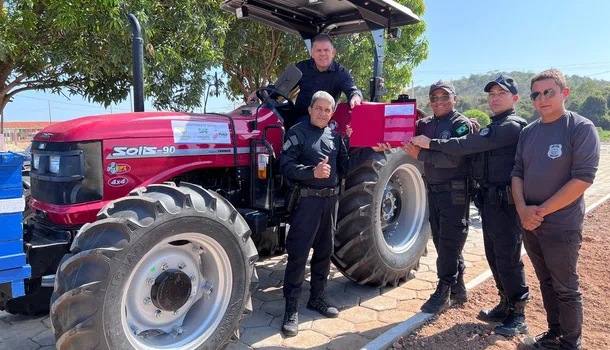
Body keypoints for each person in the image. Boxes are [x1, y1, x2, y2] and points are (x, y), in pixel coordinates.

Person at [411, 75, 529, 335]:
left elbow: (463, 150)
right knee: (491, 254)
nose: (495, 98)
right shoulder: (492, 125)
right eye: (492, 94)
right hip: (487, 198)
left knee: (506, 255)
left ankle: (518, 313)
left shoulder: (510, 125)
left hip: (497, 199)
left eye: (501, 93)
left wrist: (426, 148)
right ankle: (504, 303)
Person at [511, 69, 600, 350]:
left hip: (561, 224)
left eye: (548, 92)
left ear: (565, 93)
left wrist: (540, 212)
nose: (542, 99)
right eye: (536, 94)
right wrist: (523, 209)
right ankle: (553, 334)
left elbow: (583, 178)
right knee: (545, 281)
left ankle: (570, 343)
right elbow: (517, 173)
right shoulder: (529, 132)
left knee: (565, 287)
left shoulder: (580, 128)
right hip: (530, 222)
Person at [278, 91, 354, 337]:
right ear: (310, 109)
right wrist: (313, 172)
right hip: (306, 203)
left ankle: (317, 298)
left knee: (325, 252)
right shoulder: (297, 133)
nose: (322, 113)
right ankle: (291, 308)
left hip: (330, 202)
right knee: (298, 255)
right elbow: (285, 166)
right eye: (318, 108)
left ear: (332, 113)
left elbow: (344, 166)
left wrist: (352, 143)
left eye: (327, 110)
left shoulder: (335, 135)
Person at [402, 80, 472, 314]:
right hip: (433, 191)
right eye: (434, 98)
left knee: (451, 242)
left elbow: (456, 158)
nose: (439, 101)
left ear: (454, 99)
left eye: (444, 97)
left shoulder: (461, 125)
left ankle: (443, 290)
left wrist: (422, 155)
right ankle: (459, 287)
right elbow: (401, 136)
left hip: (455, 192)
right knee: (441, 240)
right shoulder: (424, 124)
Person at [247, 34, 363, 129]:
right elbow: (279, 89)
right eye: (318, 50)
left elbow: (353, 91)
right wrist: (258, 92)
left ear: (333, 52)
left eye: (326, 50)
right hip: (297, 116)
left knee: (296, 131)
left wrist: (355, 97)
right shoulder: (302, 68)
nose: (322, 54)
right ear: (312, 53)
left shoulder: (341, 73)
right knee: (270, 123)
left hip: (321, 121)